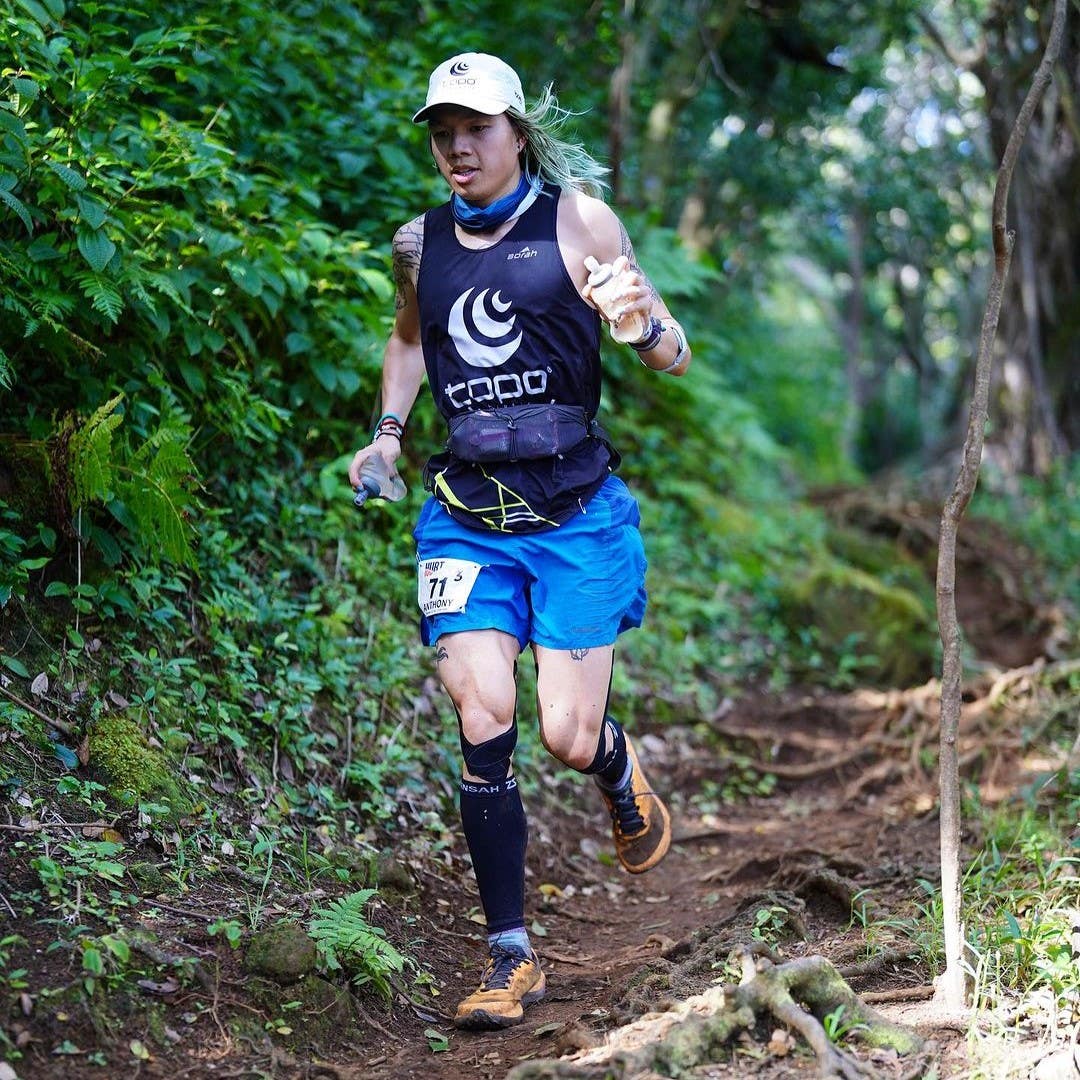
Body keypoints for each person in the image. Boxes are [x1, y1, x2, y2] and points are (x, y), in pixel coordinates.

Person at [348, 51, 692, 1032]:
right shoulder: (421, 241)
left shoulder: (580, 221)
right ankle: (510, 954)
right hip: (467, 518)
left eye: (476, 128)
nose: (458, 146)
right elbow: (411, 340)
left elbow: (673, 351)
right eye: (442, 131)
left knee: (566, 734)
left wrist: (641, 326)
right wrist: (384, 438)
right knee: (482, 707)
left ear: (516, 130)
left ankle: (620, 774)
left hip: (577, 517)